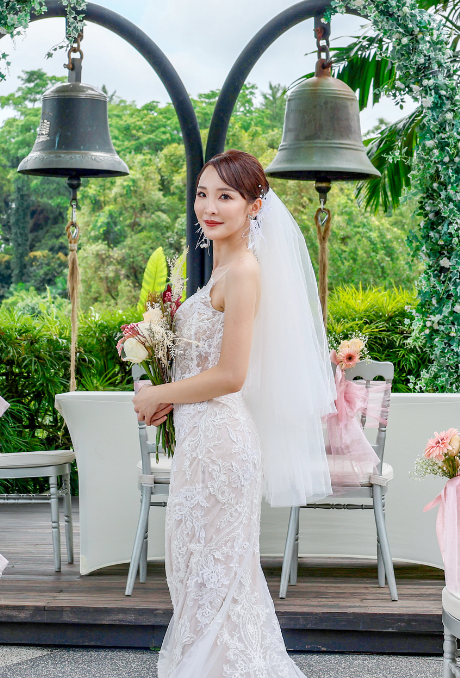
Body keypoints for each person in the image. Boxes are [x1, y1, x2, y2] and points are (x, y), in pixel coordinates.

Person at [133, 149, 336, 678]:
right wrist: (169, 395)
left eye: (226, 195)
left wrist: (163, 394)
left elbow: (232, 375)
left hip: (222, 444)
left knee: (215, 576)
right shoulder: (221, 272)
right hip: (202, 442)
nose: (210, 206)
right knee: (200, 572)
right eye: (203, 193)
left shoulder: (244, 271)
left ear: (254, 205)